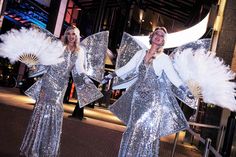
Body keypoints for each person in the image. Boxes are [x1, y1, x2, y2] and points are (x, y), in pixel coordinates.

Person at [102, 27, 196, 157]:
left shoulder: (163, 58)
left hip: (152, 101)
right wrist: (110, 76)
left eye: (162, 35)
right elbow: (127, 68)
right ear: (151, 36)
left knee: (146, 131)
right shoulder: (140, 53)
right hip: (137, 98)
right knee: (133, 128)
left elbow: (173, 77)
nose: (158, 36)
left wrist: (186, 90)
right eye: (157, 33)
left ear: (163, 41)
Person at [20, 26, 96, 157]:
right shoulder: (58, 46)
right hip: (49, 82)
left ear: (77, 36)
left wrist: (88, 80)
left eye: (74, 34)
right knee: (42, 111)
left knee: (55, 114)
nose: (72, 36)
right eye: (69, 34)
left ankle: (48, 149)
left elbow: (80, 70)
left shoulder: (80, 51)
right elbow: (46, 62)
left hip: (62, 86)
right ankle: (34, 148)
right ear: (66, 35)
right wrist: (34, 66)